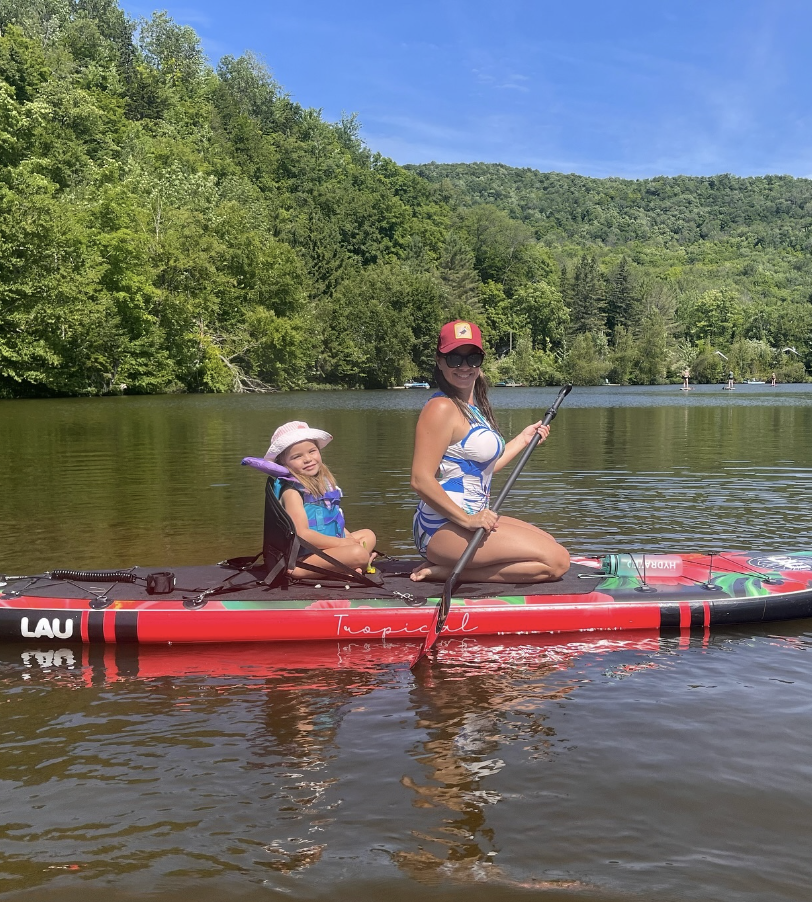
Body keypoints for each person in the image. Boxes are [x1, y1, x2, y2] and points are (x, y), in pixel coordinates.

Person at [410, 320, 570, 584]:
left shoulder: (471, 408)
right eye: (454, 358)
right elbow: (420, 479)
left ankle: (452, 568)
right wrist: (468, 520)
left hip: (472, 518)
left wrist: (522, 439)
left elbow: (482, 469)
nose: (464, 366)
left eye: (472, 358)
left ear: (481, 361)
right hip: (441, 526)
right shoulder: (441, 407)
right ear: (439, 361)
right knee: (556, 561)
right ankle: (448, 571)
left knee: (549, 545)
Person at [265, 421, 376, 578]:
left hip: (326, 547)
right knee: (359, 553)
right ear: (282, 462)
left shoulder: (322, 483)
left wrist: (348, 536)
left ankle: (347, 567)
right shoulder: (291, 492)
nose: (308, 459)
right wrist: (342, 543)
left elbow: (331, 519)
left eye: (312, 451)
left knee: (368, 535)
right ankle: (299, 572)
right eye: (297, 456)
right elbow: (302, 534)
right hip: (303, 556)